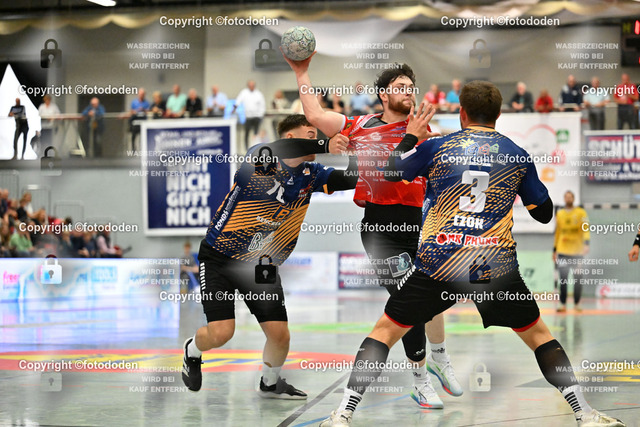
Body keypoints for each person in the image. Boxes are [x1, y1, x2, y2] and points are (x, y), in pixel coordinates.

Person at [320, 81, 625, 427]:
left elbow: (389, 172)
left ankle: (343, 414)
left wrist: (411, 137)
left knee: (385, 331)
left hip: (439, 263)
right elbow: (543, 213)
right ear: (498, 114)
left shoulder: (437, 146)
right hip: (493, 266)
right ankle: (584, 413)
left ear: (462, 113)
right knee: (540, 336)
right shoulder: (516, 154)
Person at [285, 53, 461, 409]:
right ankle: (420, 381)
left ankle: (440, 358)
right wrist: (302, 72)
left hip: (417, 225)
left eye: (411, 87)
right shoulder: (359, 125)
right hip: (381, 228)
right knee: (409, 300)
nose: (408, 92)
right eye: (401, 87)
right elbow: (315, 115)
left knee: (430, 295)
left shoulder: (423, 130)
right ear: (383, 94)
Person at [181, 114, 357, 400]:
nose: (316, 140)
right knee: (221, 333)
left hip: (261, 265)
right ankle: (192, 350)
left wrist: (356, 151)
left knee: (279, 335)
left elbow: (350, 179)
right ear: (290, 137)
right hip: (219, 257)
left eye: (316, 137)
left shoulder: (311, 174)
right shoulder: (261, 157)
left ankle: (270, 383)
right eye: (310, 136)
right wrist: (326, 144)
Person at [553, 191, 589, 313]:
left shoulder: (581, 212)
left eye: (570, 197)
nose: (568, 199)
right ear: (564, 199)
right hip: (563, 251)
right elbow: (558, 232)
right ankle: (563, 304)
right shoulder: (560, 213)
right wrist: (554, 249)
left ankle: (577, 303)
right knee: (563, 279)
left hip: (577, 252)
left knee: (577, 279)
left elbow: (586, 228)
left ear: (573, 198)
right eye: (566, 197)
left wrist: (586, 243)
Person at [233, 80, 266, 152]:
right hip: (248, 116)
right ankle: (246, 148)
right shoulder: (244, 93)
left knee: (256, 133)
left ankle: (256, 148)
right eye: (250, 85)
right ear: (248, 86)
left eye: (252, 85)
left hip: (257, 116)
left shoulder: (258, 94)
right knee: (247, 133)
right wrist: (234, 108)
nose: (251, 87)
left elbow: (262, 105)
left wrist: (260, 114)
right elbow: (238, 100)